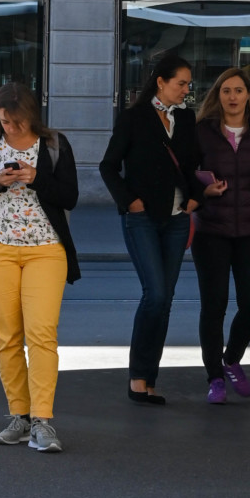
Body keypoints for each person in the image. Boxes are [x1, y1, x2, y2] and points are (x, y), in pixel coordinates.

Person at [0, 80, 79, 454]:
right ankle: (20, 416)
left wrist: (37, 178)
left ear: (31, 115)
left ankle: (43, 421)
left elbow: (70, 198)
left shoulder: (54, 145)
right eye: (4, 122)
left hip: (46, 249)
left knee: (42, 333)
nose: (11, 128)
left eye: (16, 121)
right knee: (7, 335)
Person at [99, 51, 206, 403]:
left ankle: (148, 378)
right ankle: (137, 377)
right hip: (142, 218)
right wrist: (130, 201)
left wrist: (197, 198)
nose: (186, 90)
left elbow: (192, 165)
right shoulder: (133, 118)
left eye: (188, 84)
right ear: (161, 81)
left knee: (165, 300)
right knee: (156, 294)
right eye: (180, 83)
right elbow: (109, 166)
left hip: (177, 219)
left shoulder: (187, 119)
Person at [192, 68, 250, 401]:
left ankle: (231, 359)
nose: (232, 97)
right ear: (218, 95)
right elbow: (187, 176)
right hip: (212, 230)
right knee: (213, 307)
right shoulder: (202, 132)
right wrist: (204, 191)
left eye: (239, 91)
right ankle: (214, 378)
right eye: (226, 90)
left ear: (249, 95)